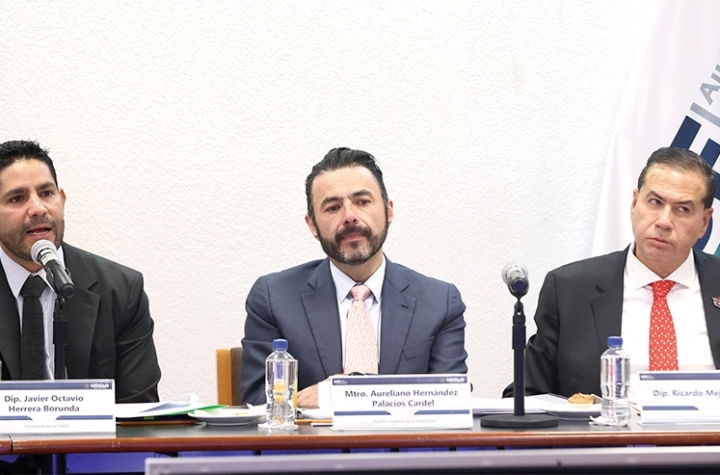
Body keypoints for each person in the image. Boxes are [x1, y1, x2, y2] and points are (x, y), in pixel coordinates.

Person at [240, 147, 468, 406]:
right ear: (313, 225)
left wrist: (341, 393)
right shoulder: (274, 298)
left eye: (362, 202)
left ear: (388, 211)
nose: (349, 216)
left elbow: (452, 398)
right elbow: (259, 401)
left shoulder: (439, 302)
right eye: (333, 207)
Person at [506, 147, 720, 398]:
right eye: (655, 202)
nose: (664, 221)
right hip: (604, 425)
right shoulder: (569, 290)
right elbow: (525, 396)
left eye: (682, 209)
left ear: (704, 222)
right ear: (634, 203)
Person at [0, 140, 161, 403]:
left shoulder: (120, 290)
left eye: (46, 193)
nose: (38, 208)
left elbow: (138, 408)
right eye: (17, 198)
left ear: (61, 199)